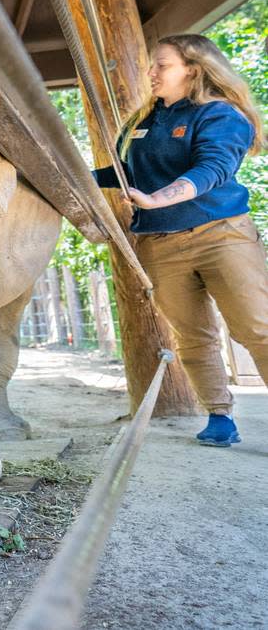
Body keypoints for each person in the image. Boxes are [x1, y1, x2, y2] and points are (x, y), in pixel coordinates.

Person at [92, 33, 267, 446]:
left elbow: (213, 169)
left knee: (257, 327)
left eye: (161, 65)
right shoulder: (144, 120)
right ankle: (219, 416)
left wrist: (159, 198)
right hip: (159, 243)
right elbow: (120, 175)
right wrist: (59, 173)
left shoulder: (221, 115)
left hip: (221, 234)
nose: (151, 72)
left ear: (193, 68)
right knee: (192, 334)